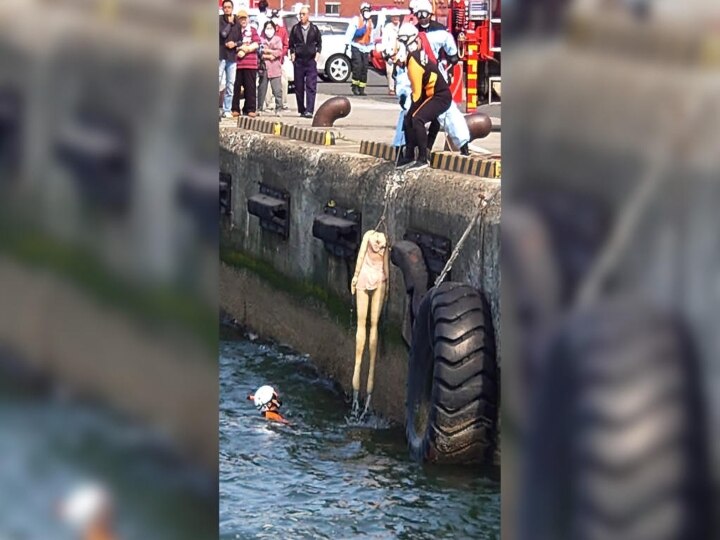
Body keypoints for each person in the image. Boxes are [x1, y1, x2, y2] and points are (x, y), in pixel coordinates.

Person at [413, 0, 471, 155]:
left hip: (436, 75)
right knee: (410, 112)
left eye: (424, 14)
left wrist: (452, 58)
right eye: (419, 15)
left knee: (447, 111)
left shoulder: (438, 31)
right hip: (418, 77)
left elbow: (448, 43)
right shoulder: (413, 32)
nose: (422, 18)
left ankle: (463, 144)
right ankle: (406, 147)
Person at [395, 23, 451, 171]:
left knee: (416, 118)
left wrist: (412, 110)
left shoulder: (414, 61)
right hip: (432, 95)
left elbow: (417, 94)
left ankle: (422, 158)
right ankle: (409, 155)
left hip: (440, 96)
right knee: (410, 118)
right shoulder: (416, 57)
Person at [350, 230, 389, 421]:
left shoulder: (367, 235)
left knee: (360, 325)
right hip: (379, 278)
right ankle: (370, 379)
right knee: (374, 326)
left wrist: (355, 277)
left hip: (364, 276)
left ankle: (357, 370)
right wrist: (388, 286)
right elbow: (387, 267)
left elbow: (359, 258)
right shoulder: (385, 241)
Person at [289, 6, 322, 118]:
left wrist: (317, 56)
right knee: (298, 86)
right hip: (299, 61)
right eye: (300, 14)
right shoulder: (295, 29)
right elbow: (291, 44)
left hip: (310, 61)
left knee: (311, 86)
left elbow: (319, 43)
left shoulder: (314, 29)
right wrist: (293, 54)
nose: (301, 16)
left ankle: (309, 110)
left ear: (308, 15)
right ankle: (301, 109)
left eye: (303, 14)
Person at [232, 10, 261, 118]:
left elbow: (257, 43)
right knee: (236, 87)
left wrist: (247, 49)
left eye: (245, 18)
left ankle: (250, 108)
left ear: (248, 19)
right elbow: (232, 44)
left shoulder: (252, 30)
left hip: (250, 63)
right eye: (241, 18)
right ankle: (235, 108)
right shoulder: (234, 31)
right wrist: (239, 48)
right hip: (237, 64)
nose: (243, 20)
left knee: (250, 87)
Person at [263, 10, 291, 112]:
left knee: (283, 83)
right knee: (268, 87)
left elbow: (285, 46)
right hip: (266, 62)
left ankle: (283, 103)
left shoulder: (283, 31)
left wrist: (278, 56)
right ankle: (269, 104)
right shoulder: (266, 29)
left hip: (279, 62)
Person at [345, 2, 375, 96]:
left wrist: (372, 48)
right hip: (356, 46)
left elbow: (371, 36)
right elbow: (350, 33)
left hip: (366, 48)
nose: (367, 13)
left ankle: (361, 88)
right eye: (365, 11)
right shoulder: (356, 20)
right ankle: (355, 87)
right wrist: (347, 45)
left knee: (364, 68)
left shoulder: (370, 23)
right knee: (357, 66)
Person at [219, 0, 241, 119]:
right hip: (221, 56)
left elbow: (241, 40)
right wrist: (229, 23)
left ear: (232, 8)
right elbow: (222, 34)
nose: (227, 9)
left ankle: (227, 109)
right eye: (225, 7)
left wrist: (235, 44)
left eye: (229, 7)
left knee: (230, 84)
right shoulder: (219, 20)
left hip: (232, 57)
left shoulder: (237, 21)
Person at [258, 21, 285, 116]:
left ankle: (279, 108)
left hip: (275, 67)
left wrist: (268, 51)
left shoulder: (277, 39)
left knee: (277, 90)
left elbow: (279, 52)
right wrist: (270, 55)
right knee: (262, 89)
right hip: (264, 67)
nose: (268, 30)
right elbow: (260, 52)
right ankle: (260, 108)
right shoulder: (261, 39)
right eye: (267, 28)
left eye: (270, 28)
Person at [382, 14, 401, 95]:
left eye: (397, 17)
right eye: (394, 17)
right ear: (391, 18)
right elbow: (384, 41)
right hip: (389, 53)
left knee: (400, 72)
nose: (396, 18)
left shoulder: (402, 27)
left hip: (400, 54)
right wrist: (385, 53)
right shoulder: (387, 28)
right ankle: (391, 88)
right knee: (390, 71)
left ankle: (399, 88)